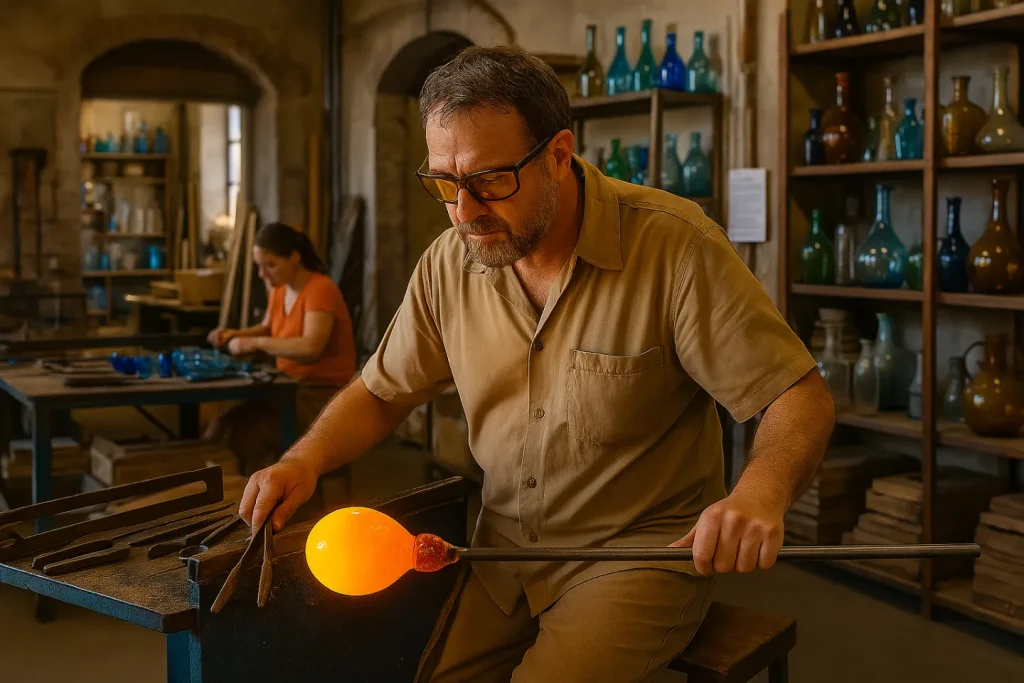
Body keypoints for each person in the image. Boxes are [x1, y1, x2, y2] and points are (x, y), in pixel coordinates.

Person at [239, 46, 835, 682]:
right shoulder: (450, 262)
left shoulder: (674, 249)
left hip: (636, 555)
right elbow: (385, 391)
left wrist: (760, 492)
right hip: (502, 549)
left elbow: (796, 396)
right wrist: (304, 459)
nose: (465, 211)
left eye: (491, 180)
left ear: (558, 154)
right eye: (445, 183)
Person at [205, 222, 357, 471]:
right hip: (289, 389)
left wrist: (256, 343)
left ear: (295, 258)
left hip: (320, 399)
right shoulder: (280, 289)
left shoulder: (320, 290)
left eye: (271, 265)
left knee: (244, 435)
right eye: (259, 267)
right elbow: (268, 326)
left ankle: (263, 496)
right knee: (220, 424)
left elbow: (311, 347)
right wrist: (235, 333)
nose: (263, 275)